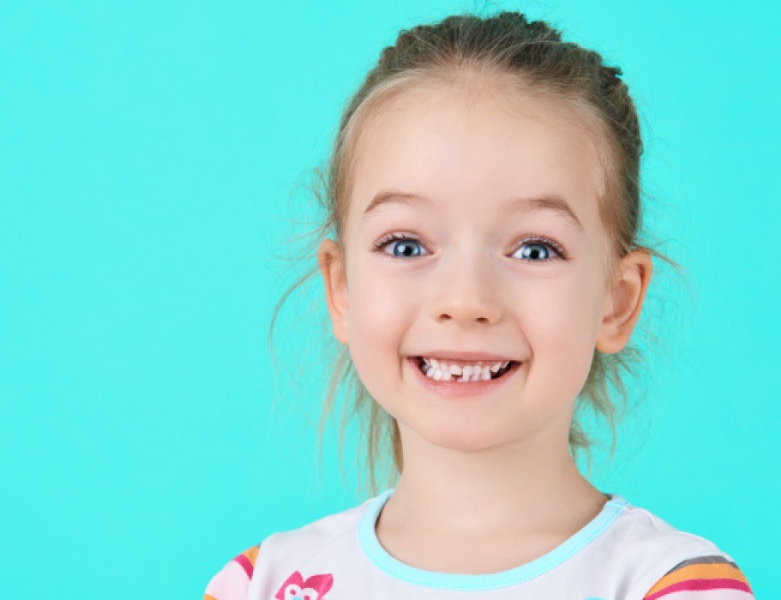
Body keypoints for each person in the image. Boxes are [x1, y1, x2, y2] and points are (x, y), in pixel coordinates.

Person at [204, 11, 753, 599]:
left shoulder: (667, 586)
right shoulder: (260, 583)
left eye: (536, 249)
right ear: (341, 289)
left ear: (616, 302)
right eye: (406, 245)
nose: (465, 302)